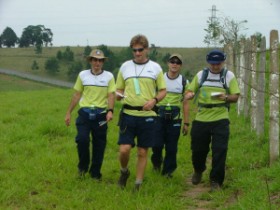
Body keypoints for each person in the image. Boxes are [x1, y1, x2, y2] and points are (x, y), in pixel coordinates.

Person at [115, 34, 166, 191]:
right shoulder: (125, 67)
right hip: (128, 115)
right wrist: (117, 95)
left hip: (147, 117)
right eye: (134, 50)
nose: (137, 53)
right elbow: (119, 89)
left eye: (140, 50)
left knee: (142, 152)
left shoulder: (156, 68)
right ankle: (124, 172)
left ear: (147, 49)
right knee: (124, 149)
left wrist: (154, 101)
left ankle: (138, 184)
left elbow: (163, 90)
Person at [184, 49, 240, 192]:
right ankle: (198, 169)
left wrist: (226, 97)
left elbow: (235, 96)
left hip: (220, 117)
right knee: (198, 149)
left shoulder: (228, 76)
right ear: (208, 62)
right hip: (201, 117)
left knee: (220, 150)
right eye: (213, 64)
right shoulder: (201, 75)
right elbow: (190, 90)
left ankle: (216, 181)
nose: (215, 66)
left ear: (223, 62)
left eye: (218, 63)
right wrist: (190, 94)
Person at [64, 49, 115, 180]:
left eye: (100, 60)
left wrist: (110, 111)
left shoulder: (109, 76)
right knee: (82, 140)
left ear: (103, 62)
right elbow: (77, 95)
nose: (97, 63)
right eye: (94, 60)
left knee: (99, 145)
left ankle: (95, 173)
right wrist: (68, 112)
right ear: (90, 61)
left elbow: (111, 95)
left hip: (100, 115)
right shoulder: (83, 75)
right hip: (85, 114)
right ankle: (82, 167)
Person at [151, 53, 190, 178]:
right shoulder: (159, 79)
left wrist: (186, 123)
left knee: (171, 147)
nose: (174, 64)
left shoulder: (184, 82)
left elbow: (185, 103)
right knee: (156, 144)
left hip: (175, 117)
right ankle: (157, 163)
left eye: (177, 62)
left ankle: (168, 172)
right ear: (168, 63)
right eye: (172, 62)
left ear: (180, 66)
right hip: (158, 115)